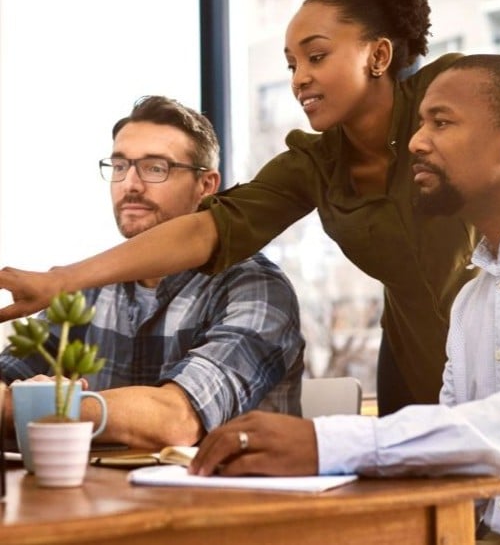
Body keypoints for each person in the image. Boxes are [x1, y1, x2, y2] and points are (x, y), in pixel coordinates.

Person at [0, 0, 477, 415]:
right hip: (415, 360)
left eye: (316, 56)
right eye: (291, 64)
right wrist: (60, 281)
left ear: (378, 56)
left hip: (499, 339)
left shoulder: (451, 95)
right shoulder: (313, 164)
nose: (298, 79)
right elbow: (208, 229)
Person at [188, 55, 500, 545]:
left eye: (441, 122)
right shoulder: (476, 296)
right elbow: (454, 456)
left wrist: (327, 443)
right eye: (420, 123)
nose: (417, 141)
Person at [0, 96, 304, 449]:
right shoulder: (88, 290)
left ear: (206, 185)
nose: (130, 184)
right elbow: (8, 374)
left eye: (155, 168)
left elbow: (177, 422)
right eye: (119, 166)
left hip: (225, 485)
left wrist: (31, 406)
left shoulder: (256, 287)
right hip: (102, 485)